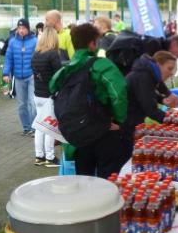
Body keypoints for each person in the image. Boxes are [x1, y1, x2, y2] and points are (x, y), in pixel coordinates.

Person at [50, 23, 127, 178]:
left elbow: (53, 90)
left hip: (78, 135)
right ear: (92, 43)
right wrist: (118, 119)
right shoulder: (101, 65)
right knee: (108, 181)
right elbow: (118, 94)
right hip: (104, 131)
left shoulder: (63, 71)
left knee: (83, 180)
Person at [120, 50, 177, 160]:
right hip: (127, 124)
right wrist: (175, 122)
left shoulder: (147, 73)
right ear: (158, 64)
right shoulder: (143, 76)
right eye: (169, 68)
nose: (172, 73)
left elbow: (145, 93)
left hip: (132, 120)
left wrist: (162, 99)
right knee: (130, 159)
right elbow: (151, 110)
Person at [31, 26, 68, 167]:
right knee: (49, 127)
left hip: (37, 94)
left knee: (39, 125)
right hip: (49, 95)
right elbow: (58, 75)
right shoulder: (53, 54)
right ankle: (50, 157)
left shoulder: (36, 54)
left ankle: (39, 155)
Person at [3, 18, 38, 136]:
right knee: (22, 104)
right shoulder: (13, 42)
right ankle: (26, 127)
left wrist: (35, 72)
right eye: (19, 28)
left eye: (23, 28)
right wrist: (6, 73)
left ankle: (35, 128)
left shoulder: (35, 41)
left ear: (28, 28)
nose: (21, 30)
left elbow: (38, 58)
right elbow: (9, 59)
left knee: (32, 102)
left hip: (31, 76)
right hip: (18, 77)